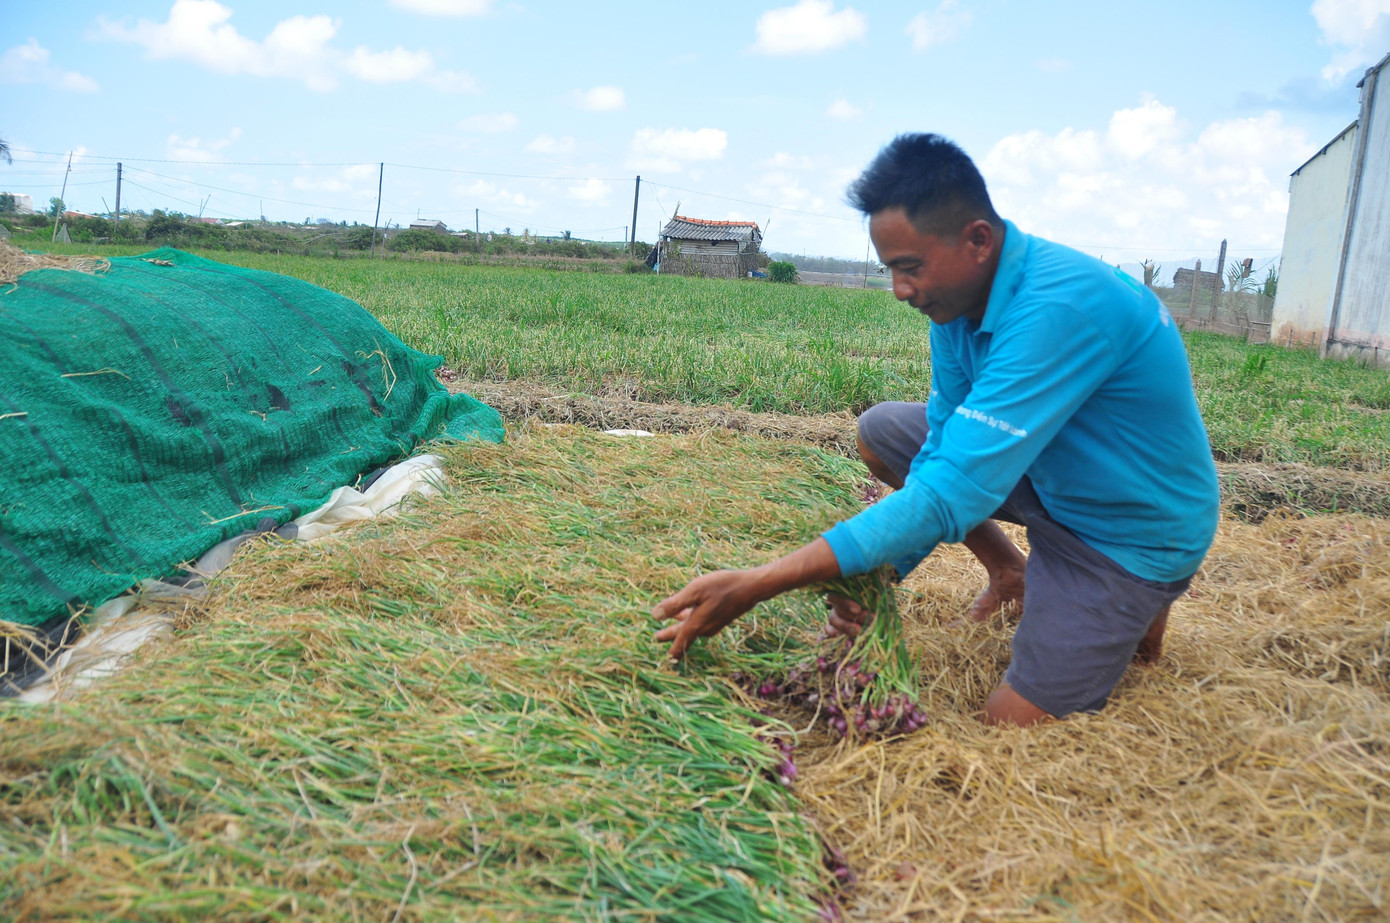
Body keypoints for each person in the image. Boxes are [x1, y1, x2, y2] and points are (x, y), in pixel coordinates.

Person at [653, 133, 1220, 727]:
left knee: (1006, 728)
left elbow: (953, 491)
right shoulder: (957, 305)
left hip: (1127, 529)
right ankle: (1014, 572)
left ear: (977, 239)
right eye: (891, 269)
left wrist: (761, 583)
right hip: (1056, 474)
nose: (900, 290)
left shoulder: (1060, 307)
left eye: (910, 268)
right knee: (885, 431)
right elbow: (942, 449)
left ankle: (1137, 596)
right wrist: (878, 571)